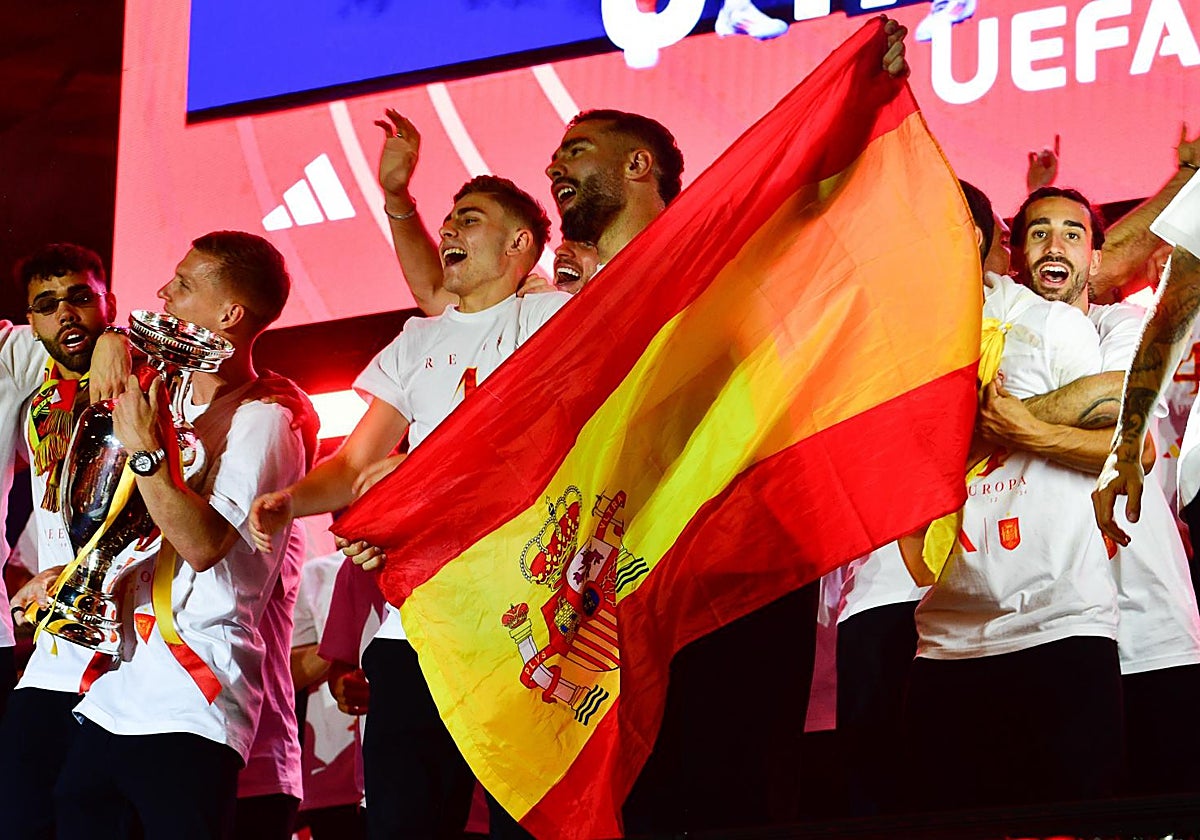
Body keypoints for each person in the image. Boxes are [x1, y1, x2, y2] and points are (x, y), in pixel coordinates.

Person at [249, 176, 569, 840]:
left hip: (519, 619)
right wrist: (289, 499)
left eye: (468, 220)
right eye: (447, 219)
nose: (448, 231)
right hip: (413, 629)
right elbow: (353, 466)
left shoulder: (555, 318)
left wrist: (415, 475)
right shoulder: (415, 343)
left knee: (525, 822)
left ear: (519, 243)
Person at [52, 231, 312, 840]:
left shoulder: (266, 419)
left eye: (185, 285)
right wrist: (113, 339)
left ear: (229, 314)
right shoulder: (164, 392)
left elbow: (202, 545)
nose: (164, 293)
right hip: (117, 686)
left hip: (193, 697)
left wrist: (145, 452)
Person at [906, 187, 1125, 810]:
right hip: (945, 633)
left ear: (969, 239)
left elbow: (1121, 447)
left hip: (1059, 623)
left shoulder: (1050, 322)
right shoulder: (896, 345)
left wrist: (1022, 428)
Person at [0, 243, 114, 840]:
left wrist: (121, 339)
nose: (64, 313)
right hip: (50, 649)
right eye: (46, 305)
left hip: (130, 645)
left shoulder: (149, 383)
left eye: (79, 298)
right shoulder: (35, 395)